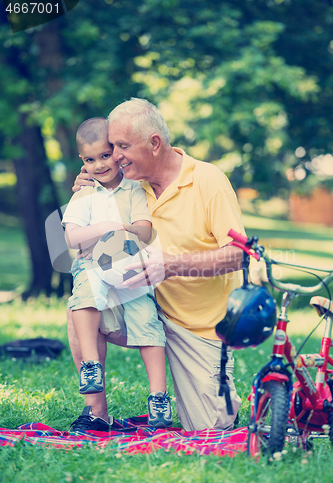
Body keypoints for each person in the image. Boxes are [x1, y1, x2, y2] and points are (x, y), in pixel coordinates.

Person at [68, 98, 245, 432]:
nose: (114, 156)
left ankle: (217, 393)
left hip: (197, 327)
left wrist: (173, 265)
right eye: (110, 148)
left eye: (121, 146)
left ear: (154, 143)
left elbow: (238, 255)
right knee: (83, 300)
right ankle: (96, 414)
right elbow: (83, 227)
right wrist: (86, 188)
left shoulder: (208, 180)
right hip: (140, 302)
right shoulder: (126, 183)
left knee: (210, 427)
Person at [62, 117, 172, 428]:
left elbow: (145, 230)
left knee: (148, 323)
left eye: (105, 155)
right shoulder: (84, 194)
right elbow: (71, 237)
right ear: (82, 162)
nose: (99, 165)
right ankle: (91, 366)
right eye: (90, 159)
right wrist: (103, 228)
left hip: (131, 266)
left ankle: (159, 399)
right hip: (92, 264)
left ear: (117, 152)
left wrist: (122, 228)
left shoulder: (135, 190)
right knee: (83, 297)